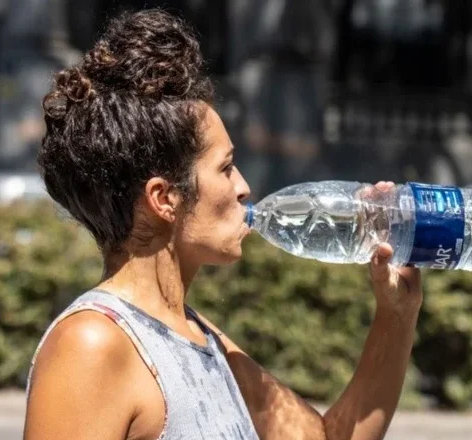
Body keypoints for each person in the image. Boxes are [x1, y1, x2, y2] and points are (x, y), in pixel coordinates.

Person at [23, 8, 422, 440]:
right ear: (164, 198)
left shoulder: (202, 338)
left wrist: (396, 314)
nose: (244, 188)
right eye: (226, 168)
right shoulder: (91, 344)